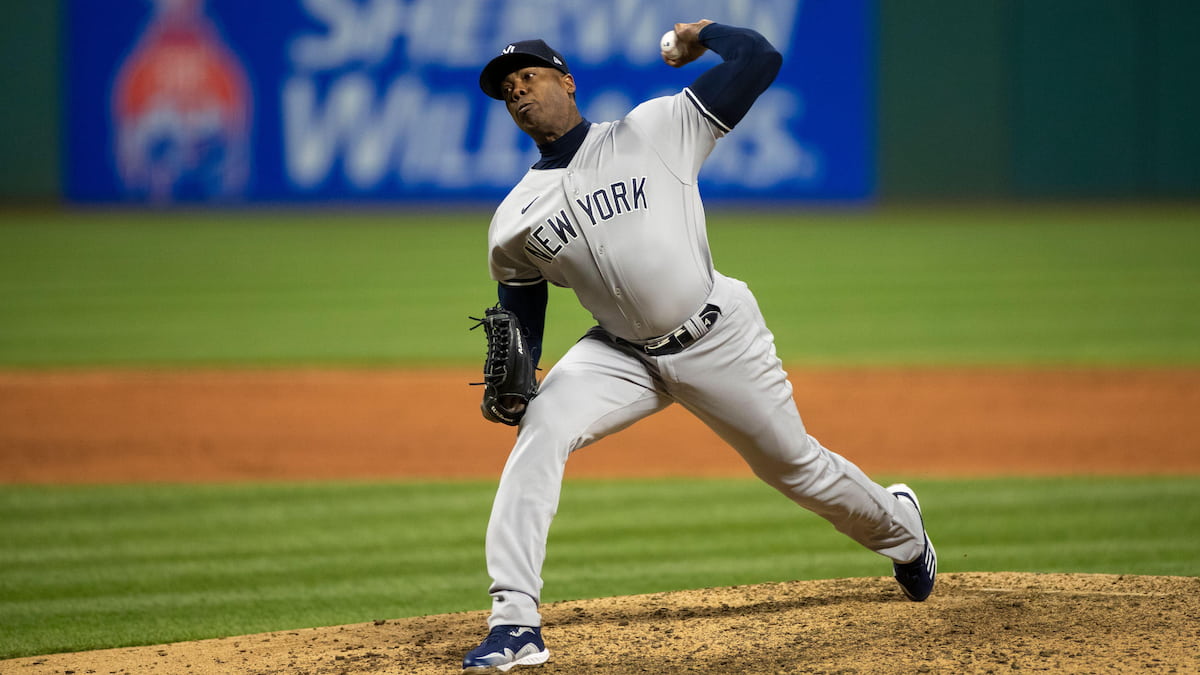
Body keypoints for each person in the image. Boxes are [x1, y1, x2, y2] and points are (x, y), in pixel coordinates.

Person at [463, 20, 936, 672]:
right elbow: (523, 311)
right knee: (542, 430)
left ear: (567, 82)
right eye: (508, 90)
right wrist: (521, 384)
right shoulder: (513, 220)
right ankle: (514, 621)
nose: (519, 94)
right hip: (621, 354)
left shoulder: (657, 129)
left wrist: (701, 33)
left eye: (530, 78)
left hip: (717, 335)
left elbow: (760, 59)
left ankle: (903, 531)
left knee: (794, 466)